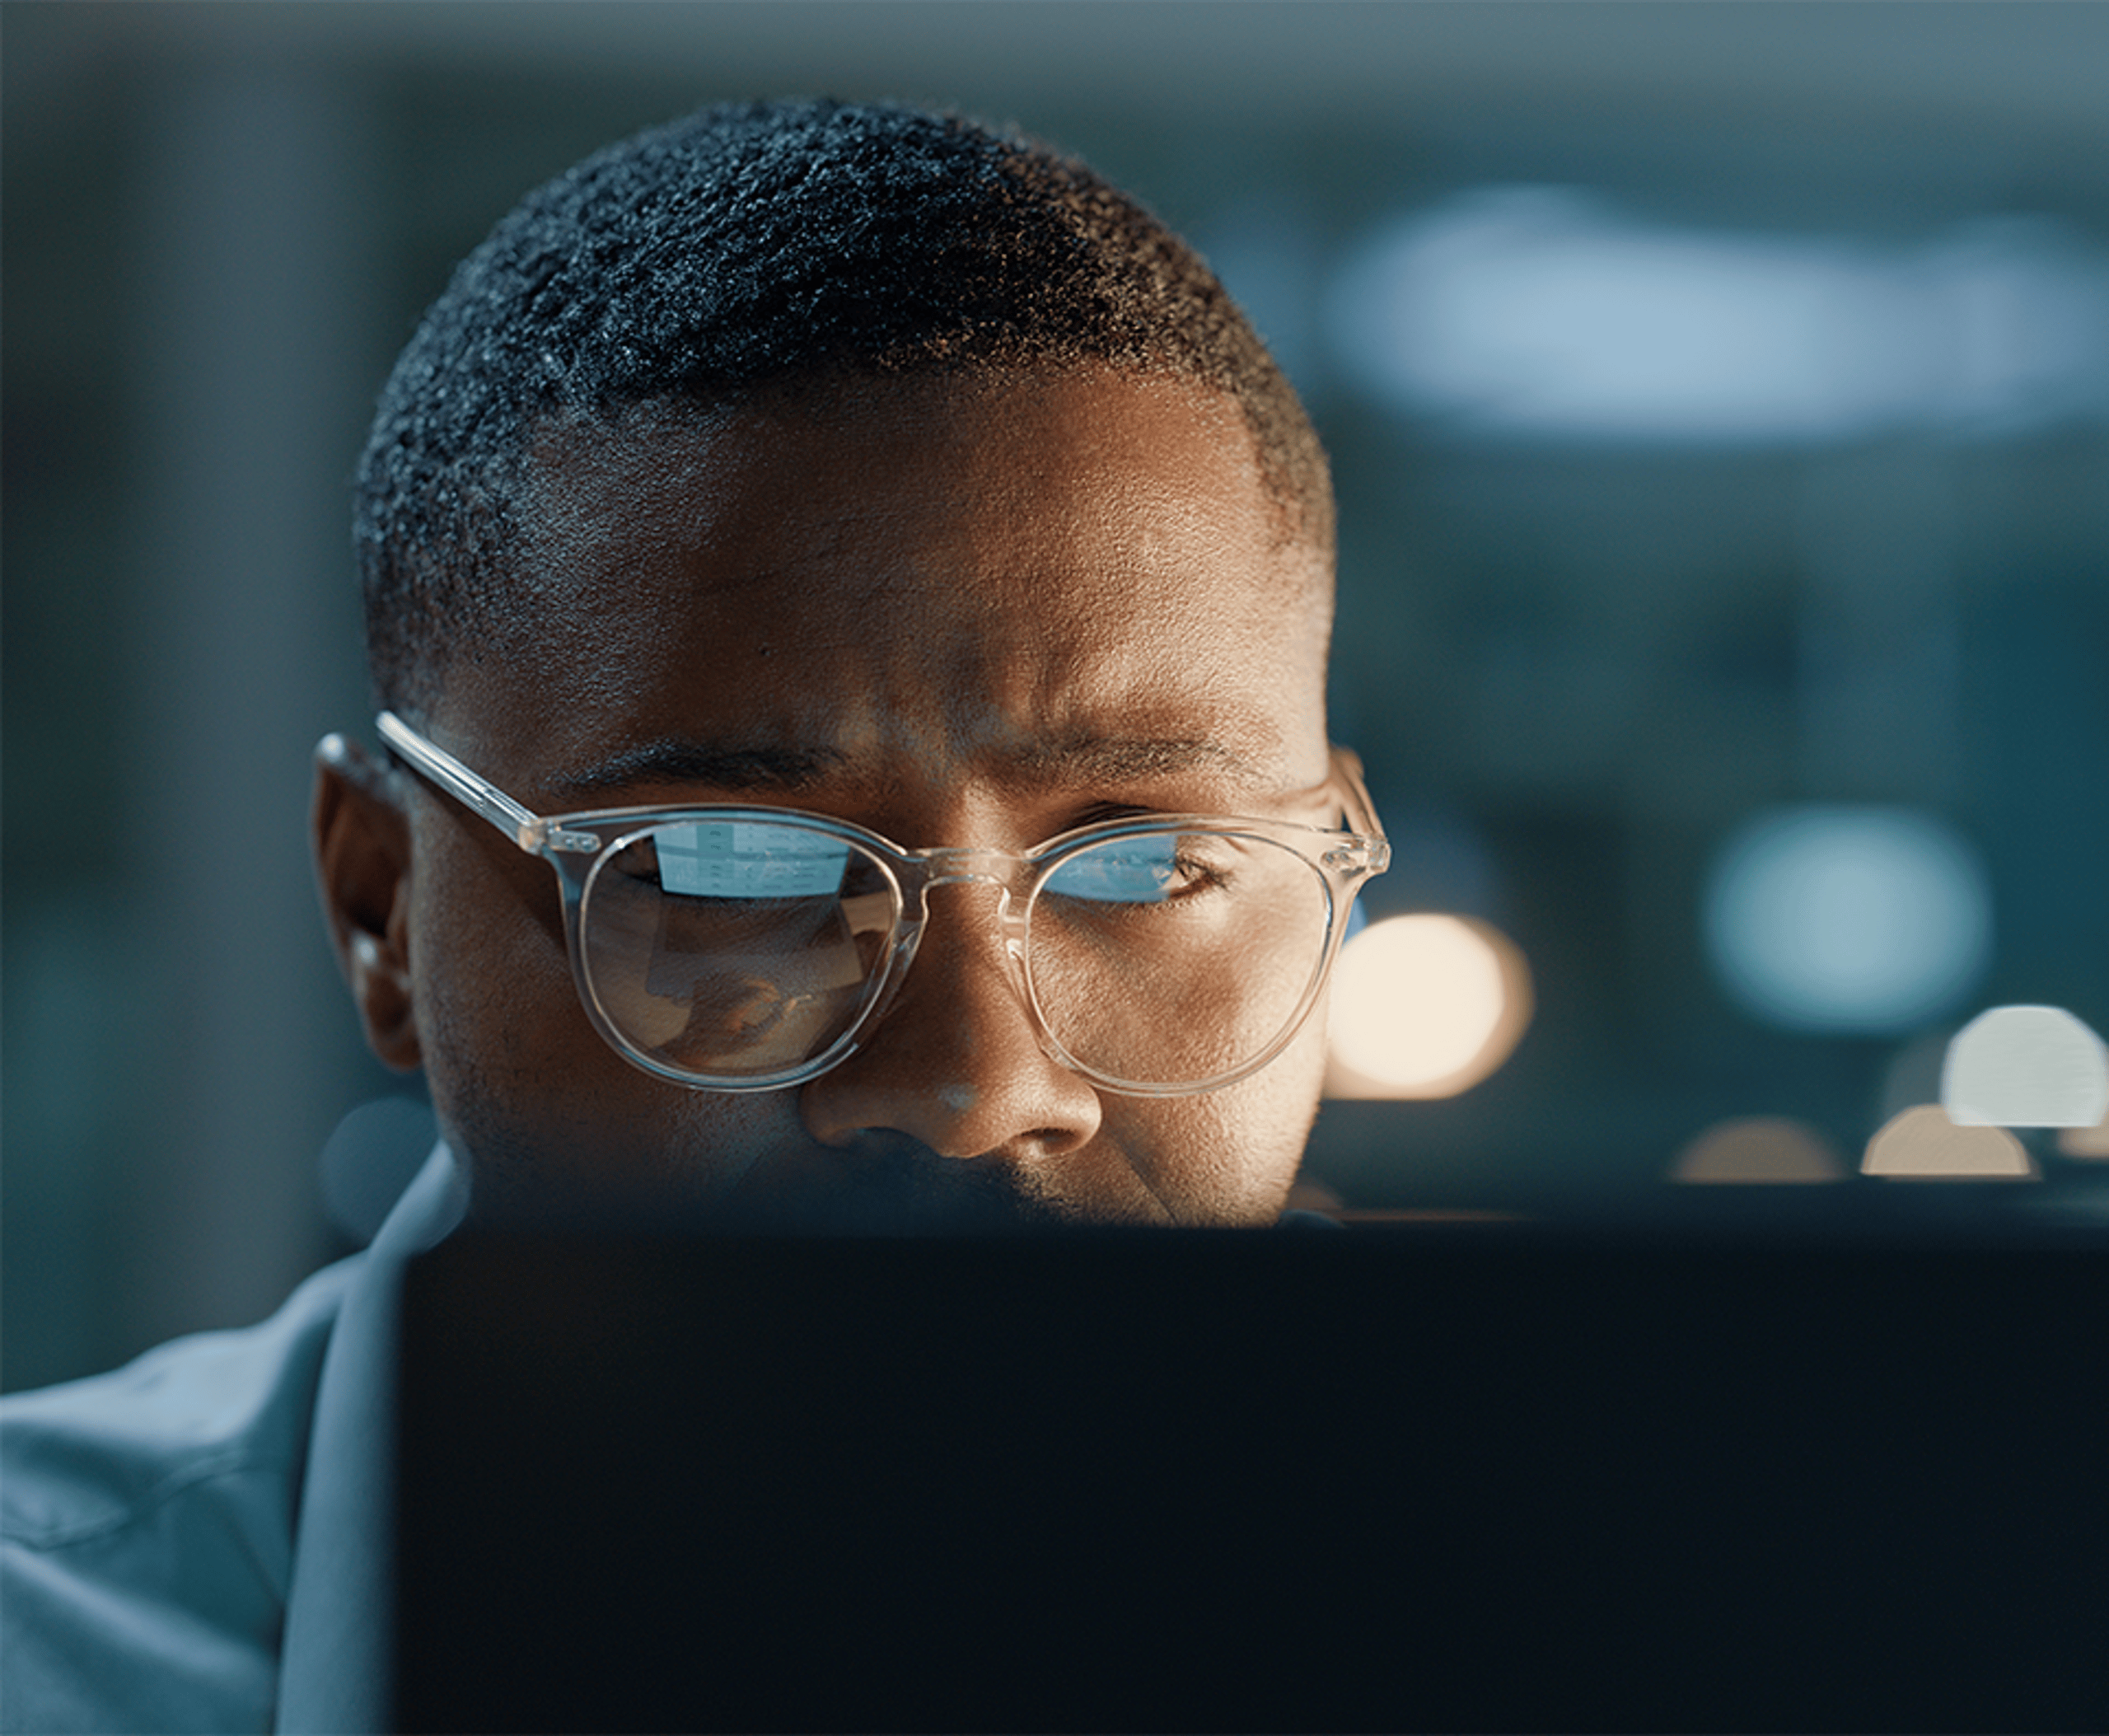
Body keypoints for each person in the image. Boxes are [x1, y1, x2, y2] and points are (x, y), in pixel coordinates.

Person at [0, 99, 1386, 1733]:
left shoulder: (1687, 1631)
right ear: (382, 907)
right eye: (734, 867)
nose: (968, 1088)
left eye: (1148, 868)